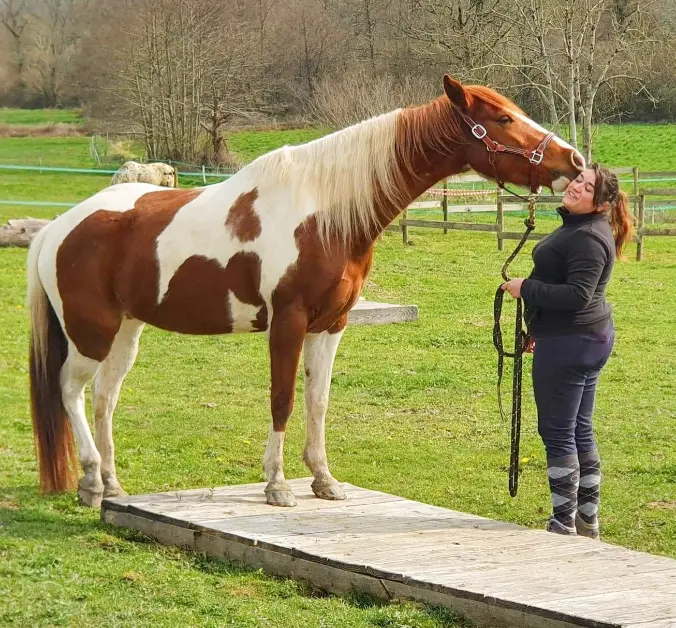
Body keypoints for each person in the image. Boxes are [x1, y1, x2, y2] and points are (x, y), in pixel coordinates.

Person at [501, 164, 633, 539]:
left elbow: (577, 296)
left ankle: (563, 523)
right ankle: (586, 520)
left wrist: (525, 288)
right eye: (578, 180)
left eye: (587, 186)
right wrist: (536, 328)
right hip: (580, 339)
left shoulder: (588, 237)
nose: (576, 186)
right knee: (579, 429)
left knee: (559, 432)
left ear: (601, 203)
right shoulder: (581, 227)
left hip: (571, 342)